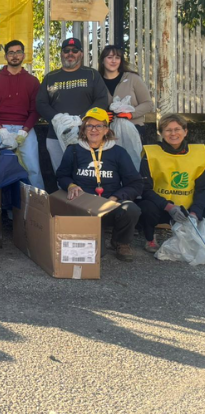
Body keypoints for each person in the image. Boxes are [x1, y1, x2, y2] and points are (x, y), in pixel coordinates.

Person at [56, 107, 143, 262]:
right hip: (84, 207)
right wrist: (71, 186)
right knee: (97, 254)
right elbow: (62, 175)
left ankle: (120, 242)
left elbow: (135, 183)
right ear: (83, 129)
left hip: (110, 204)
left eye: (99, 126)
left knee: (131, 209)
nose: (94, 129)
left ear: (106, 130)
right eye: (89, 125)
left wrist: (116, 198)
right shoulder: (73, 151)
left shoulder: (119, 153)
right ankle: (98, 238)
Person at [36, 37, 109, 171]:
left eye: (75, 50)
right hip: (56, 135)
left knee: (86, 172)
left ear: (81, 54)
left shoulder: (92, 74)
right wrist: (58, 119)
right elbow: (41, 103)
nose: (70, 53)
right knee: (61, 173)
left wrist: (81, 118)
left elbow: (102, 99)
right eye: (66, 50)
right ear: (61, 54)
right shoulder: (50, 77)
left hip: (86, 133)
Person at [138, 114, 205, 253]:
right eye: (168, 130)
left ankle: (197, 233)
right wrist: (169, 206)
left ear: (185, 131)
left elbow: (202, 189)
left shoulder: (200, 154)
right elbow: (145, 189)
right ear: (161, 133)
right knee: (146, 206)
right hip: (162, 206)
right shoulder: (151, 154)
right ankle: (150, 238)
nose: (173, 133)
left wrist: (194, 213)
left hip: (189, 207)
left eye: (177, 129)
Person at [0, 40, 44, 189]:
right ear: (6, 56)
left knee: (33, 167)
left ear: (23, 55)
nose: (15, 56)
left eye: (18, 52)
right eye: (11, 52)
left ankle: (39, 203)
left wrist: (24, 131)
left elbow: (35, 110)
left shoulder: (32, 81)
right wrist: (1, 130)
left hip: (25, 128)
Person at [99, 45, 153, 135]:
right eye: (109, 57)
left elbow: (148, 104)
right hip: (106, 131)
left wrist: (131, 114)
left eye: (117, 58)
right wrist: (101, 115)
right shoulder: (97, 81)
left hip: (134, 128)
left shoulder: (133, 78)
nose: (113, 61)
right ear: (102, 61)